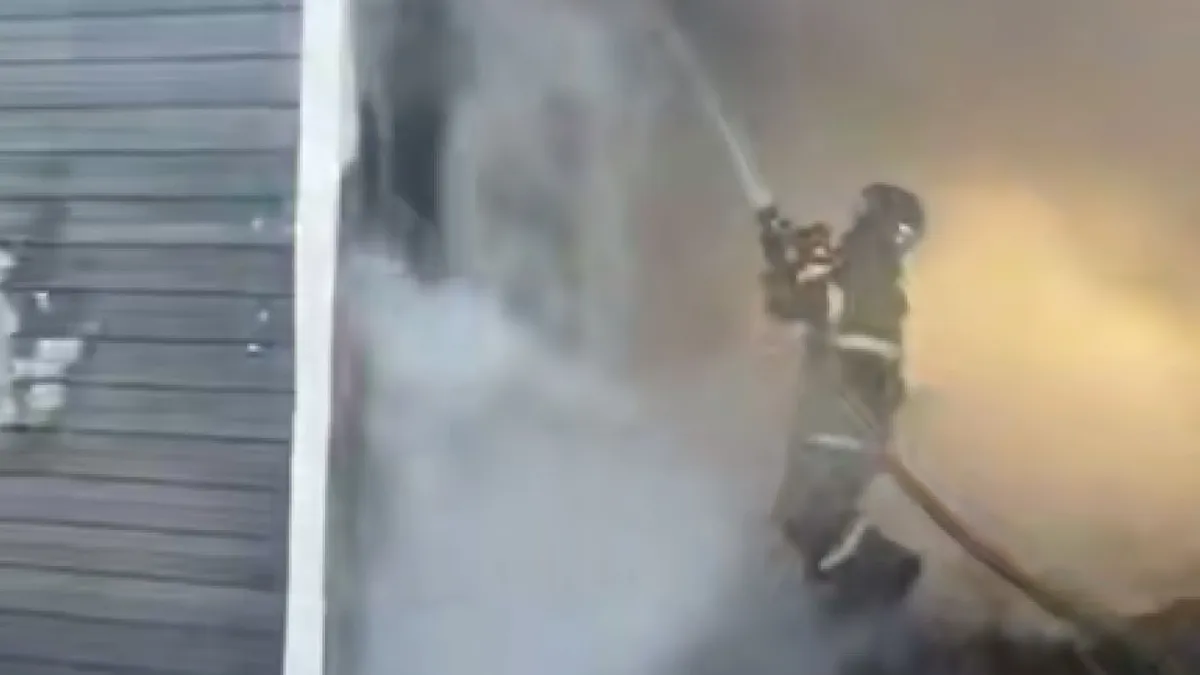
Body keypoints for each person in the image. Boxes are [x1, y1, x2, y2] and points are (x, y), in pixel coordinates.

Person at [760, 183, 925, 609]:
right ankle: (842, 604)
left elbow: (797, 303)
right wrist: (787, 256)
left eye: (865, 215)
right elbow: (809, 305)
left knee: (810, 521)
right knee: (799, 522)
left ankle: (886, 577)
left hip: (839, 426)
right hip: (844, 425)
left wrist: (792, 259)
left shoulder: (866, 267)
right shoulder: (874, 273)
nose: (854, 224)